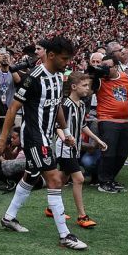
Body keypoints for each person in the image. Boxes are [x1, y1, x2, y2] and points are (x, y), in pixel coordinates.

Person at [0, 36, 89, 251]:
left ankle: (9, 217)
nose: (67, 63)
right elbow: (13, 109)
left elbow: (57, 107)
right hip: (35, 137)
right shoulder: (33, 78)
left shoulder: (58, 77)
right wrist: (2, 139)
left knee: (31, 175)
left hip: (48, 135)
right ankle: (65, 235)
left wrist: (65, 132)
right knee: (55, 180)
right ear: (51, 55)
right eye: (64, 58)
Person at [53, 72, 102, 229]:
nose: (88, 89)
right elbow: (58, 127)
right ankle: (82, 216)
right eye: (84, 85)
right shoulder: (65, 105)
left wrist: (98, 139)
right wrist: (65, 139)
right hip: (65, 149)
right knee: (79, 179)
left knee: (62, 178)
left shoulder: (81, 104)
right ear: (74, 87)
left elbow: (82, 125)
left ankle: (50, 207)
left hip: (75, 148)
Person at [93, 53, 128, 193]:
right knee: (109, 152)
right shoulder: (100, 80)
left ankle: (111, 178)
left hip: (125, 120)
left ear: (116, 67)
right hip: (107, 119)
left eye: (107, 67)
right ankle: (103, 181)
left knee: (123, 152)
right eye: (102, 66)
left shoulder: (125, 77)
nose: (104, 69)